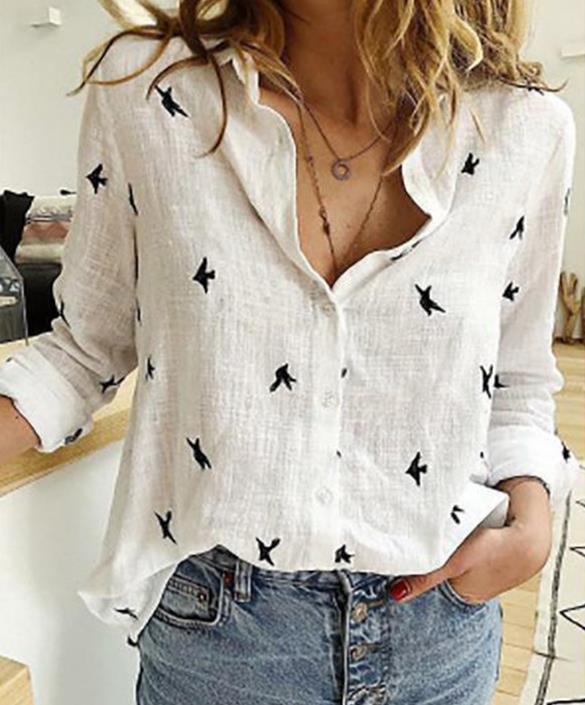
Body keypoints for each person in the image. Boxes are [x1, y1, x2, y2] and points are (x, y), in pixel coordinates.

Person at [0, 1, 580, 703]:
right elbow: (83, 351)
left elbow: (517, 381)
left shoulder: (524, 128)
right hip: (219, 642)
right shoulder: (149, 92)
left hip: (440, 631)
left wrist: (532, 518)